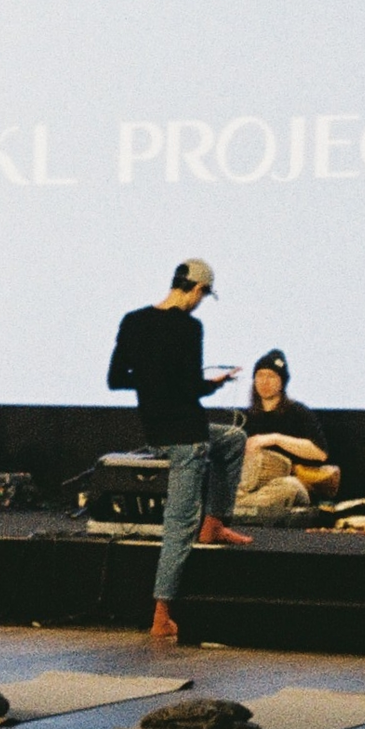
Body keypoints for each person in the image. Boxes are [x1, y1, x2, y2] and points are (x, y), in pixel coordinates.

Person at [107, 258, 250, 642]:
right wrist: (215, 383)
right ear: (198, 290)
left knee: (234, 439)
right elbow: (191, 389)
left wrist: (153, 377)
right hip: (186, 435)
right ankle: (162, 613)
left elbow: (116, 378)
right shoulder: (189, 327)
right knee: (179, 524)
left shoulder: (133, 321)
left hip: (157, 429)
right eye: (204, 295)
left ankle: (216, 522)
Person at [235, 349, 331, 511]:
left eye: (271, 376)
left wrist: (276, 438)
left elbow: (320, 453)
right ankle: (246, 505)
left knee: (290, 487)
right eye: (260, 376)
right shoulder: (244, 417)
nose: (264, 382)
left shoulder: (298, 412)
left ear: (282, 381)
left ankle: (240, 508)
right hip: (250, 485)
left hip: (285, 482)